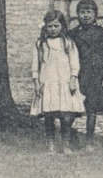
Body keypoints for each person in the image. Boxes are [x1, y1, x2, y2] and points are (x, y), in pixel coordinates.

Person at [31, 9, 84, 154]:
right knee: (49, 115)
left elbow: (75, 63)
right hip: (48, 82)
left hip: (65, 82)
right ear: (45, 27)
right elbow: (35, 65)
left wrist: (73, 79)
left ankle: (66, 145)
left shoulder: (68, 43)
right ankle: (51, 145)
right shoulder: (40, 44)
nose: (53, 29)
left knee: (66, 116)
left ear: (62, 26)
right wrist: (36, 83)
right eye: (50, 26)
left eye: (56, 26)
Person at [67, 0, 103, 143]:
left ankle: (89, 141)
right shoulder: (73, 34)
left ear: (95, 14)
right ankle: (70, 135)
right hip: (79, 76)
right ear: (78, 14)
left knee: (92, 110)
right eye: (82, 12)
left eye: (89, 12)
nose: (86, 15)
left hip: (96, 77)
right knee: (73, 109)